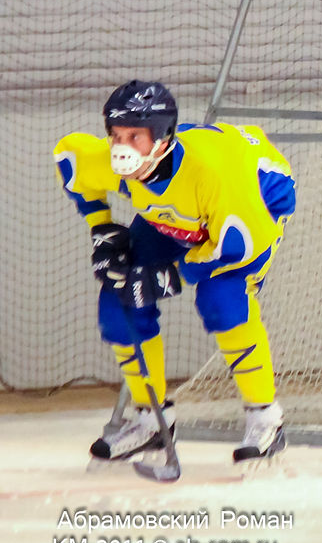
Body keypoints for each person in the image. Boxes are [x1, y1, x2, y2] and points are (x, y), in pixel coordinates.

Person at [54, 81, 296, 465]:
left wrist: (170, 277)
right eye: (116, 135)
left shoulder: (214, 175)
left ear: (163, 138)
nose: (121, 148)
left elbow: (238, 245)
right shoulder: (115, 161)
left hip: (250, 215)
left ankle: (266, 417)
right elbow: (69, 159)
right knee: (119, 303)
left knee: (222, 301)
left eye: (135, 136)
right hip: (177, 216)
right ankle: (153, 422)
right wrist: (102, 230)